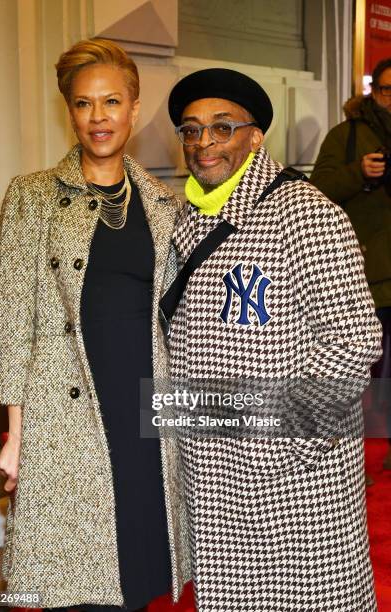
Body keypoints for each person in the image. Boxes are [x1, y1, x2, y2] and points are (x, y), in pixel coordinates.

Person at [163, 68, 382, 611]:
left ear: (256, 136)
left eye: (222, 127)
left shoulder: (306, 215)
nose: (203, 143)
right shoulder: (186, 216)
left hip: (294, 481)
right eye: (191, 130)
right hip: (213, 468)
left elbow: (354, 344)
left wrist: (279, 446)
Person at [0, 38, 190, 611]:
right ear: (69, 111)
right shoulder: (32, 196)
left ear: (133, 106)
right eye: (83, 104)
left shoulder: (163, 202)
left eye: (110, 102)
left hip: (147, 405)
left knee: (139, 566)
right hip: (65, 407)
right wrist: (15, 431)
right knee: (76, 578)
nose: (98, 118)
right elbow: (13, 320)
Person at [311, 57, 391, 472]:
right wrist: (358, 172)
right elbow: (318, 190)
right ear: (372, 91)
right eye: (387, 90)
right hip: (365, 274)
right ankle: (344, 458)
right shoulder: (347, 135)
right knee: (357, 371)